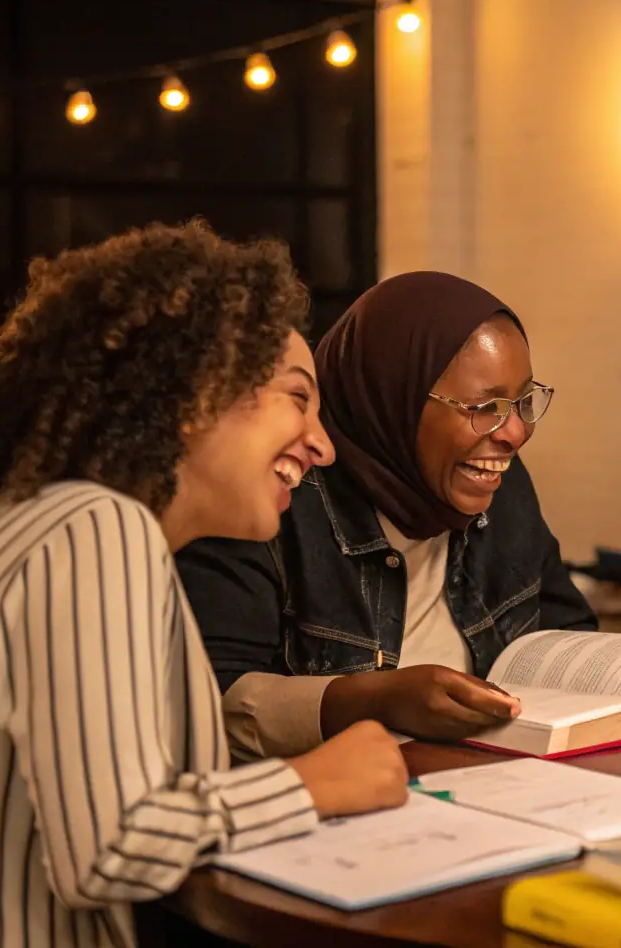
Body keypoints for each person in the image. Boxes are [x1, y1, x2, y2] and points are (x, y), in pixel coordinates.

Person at [0, 222, 408, 948]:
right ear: (200, 392)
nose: (321, 445)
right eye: (298, 399)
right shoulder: (95, 527)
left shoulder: (37, 519)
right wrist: (314, 782)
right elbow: (115, 844)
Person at [177, 271, 597, 760]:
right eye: (485, 407)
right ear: (390, 395)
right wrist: (371, 701)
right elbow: (209, 703)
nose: (514, 434)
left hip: (501, 783)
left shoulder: (499, 485)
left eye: (522, 402)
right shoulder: (274, 497)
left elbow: (567, 635)